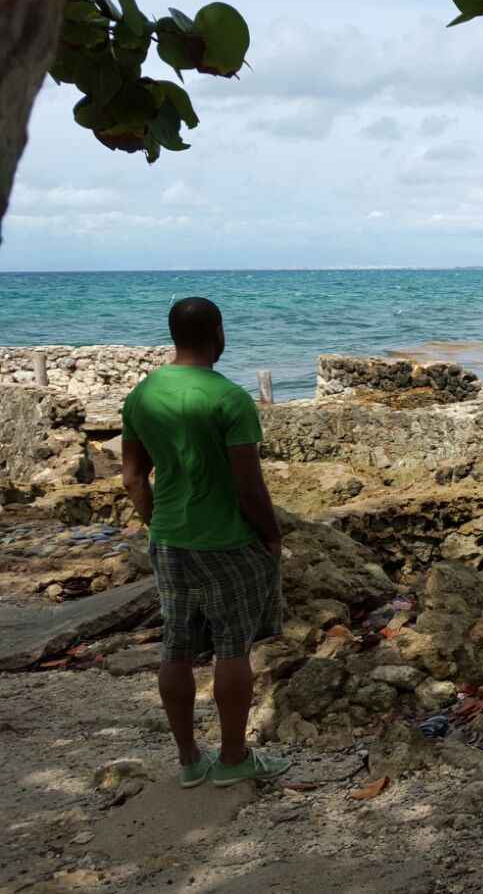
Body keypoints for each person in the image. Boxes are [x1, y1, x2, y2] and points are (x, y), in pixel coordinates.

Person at [121, 297, 291, 787]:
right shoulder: (229, 398)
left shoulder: (142, 394)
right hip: (228, 541)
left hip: (170, 539)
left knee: (176, 647)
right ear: (218, 333)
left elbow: (133, 479)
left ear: (173, 335)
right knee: (232, 650)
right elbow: (249, 487)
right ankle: (233, 758)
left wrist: (157, 523)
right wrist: (272, 535)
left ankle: (189, 760)